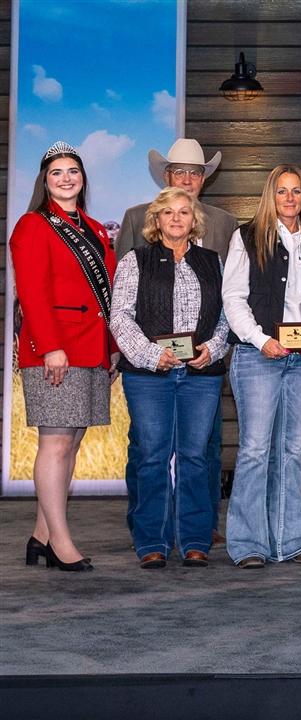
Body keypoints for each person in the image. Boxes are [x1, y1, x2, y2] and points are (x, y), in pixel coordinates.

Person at [222, 164, 301, 568]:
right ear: (269, 196)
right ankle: (247, 546)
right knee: (256, 450)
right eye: (282, 191)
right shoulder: (247, 236)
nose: (290, 198)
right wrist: (261, 339)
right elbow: (234, 299)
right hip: (258, 356)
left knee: (293, 450)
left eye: (296, 192)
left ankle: (289, 543)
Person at [116, 138, 237, 547]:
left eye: (194, 173)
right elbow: (122, 303)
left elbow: (229, 303)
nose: (186, 180)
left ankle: (200, 532)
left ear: (204, 179)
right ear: (165, 177)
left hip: (202, 369)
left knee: (202, 451)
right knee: (147, 451)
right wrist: (145, 355)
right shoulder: (134, 221)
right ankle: (148, 530)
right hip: (149, 368)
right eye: (179, 172)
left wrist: (215, 349)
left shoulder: (223, 224)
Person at [10, 141, 119, 572]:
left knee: (71, 443)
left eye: (73, 170)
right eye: (57, 172)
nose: (66, 177)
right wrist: (50, 346)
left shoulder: (94, 227)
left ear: (83, 178)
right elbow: (32, 293)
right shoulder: (33, 225)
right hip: (56, 350)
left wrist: (111, 348)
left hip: (91, 346)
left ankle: (40, 536)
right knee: (55, 443)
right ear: (44, 180)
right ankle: (60, 541)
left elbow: (106, 296)